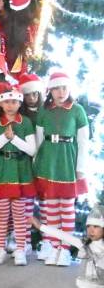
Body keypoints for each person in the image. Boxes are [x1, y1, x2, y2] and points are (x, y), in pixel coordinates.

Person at [33, 72, 90, 268]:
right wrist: (36, 164)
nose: (61, 92)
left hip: (67, 163)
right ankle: (55, 246)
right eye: (57, 88)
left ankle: (65, 250)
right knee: (50, 209)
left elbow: (83, 142)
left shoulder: (77, 110)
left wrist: (80, 168)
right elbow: (38, 140)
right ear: (50, 90)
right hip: (48, 162)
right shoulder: (44, 111)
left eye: (64, 87)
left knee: (66, 208)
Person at [0, 88, 37, 266]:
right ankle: (0, 248)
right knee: (2, 214)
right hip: (1, 171)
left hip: (20, 170)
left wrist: (13, 139)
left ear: (20, 103)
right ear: (1, 103)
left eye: (14, 102)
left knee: (19, 214)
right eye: (7, 102)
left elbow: (32, 149)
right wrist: (4, 138)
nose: (10, 105)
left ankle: (20, 249)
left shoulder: (26, 122)